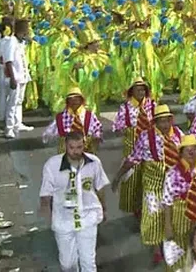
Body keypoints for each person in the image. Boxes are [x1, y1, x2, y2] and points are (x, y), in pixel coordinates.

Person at [111, 104, 184, 265]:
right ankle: (157, 250)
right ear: (155, 122)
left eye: (167, 121)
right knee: (153, 216)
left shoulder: (178, 135)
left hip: (173, 184)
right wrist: (118, 177)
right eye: (161, 121)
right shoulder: (146, 137)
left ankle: (171, 248)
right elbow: (133, 159)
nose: (165, 125)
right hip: (153, 184)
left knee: (172, 216)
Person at [39, 130, 110, 272]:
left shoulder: (94, 163)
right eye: (72, 148)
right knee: (67, 265)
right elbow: (45, 194)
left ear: (84, 146)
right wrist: (47, 215)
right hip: (63, 220)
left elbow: (100, 187)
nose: (75, 151)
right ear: (65, 146)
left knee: (88, 262)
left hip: (88, 217)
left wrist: (103, 208)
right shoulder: (52, 165)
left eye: (79, 147)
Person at [163, 134, 196, 271]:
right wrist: (168, 225)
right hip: (180, 217)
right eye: (186, 149)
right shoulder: (172, 173)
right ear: (181, 153)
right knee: (179, 253)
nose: (191, 152)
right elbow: (167, 201)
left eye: (194, 149)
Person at [111, 78, 156, 217]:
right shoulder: (125, 107)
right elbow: (116, 126)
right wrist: (127, 129)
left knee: (148, 178)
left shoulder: (152, 105)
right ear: (132, 92)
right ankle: (135, 208)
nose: (141, 92)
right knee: (132, 178)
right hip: (132, 147)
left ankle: (147, 209)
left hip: (149, 146)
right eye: (138, 90)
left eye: (143, 89)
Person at [42, 87, 104, 153]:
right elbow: (49, 134)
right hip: (66, 152)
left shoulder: (89, 115)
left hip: (86, 150)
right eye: (71, 99)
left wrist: (96, 137)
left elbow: (98, 128)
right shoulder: (61, 117)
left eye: (77, 98)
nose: (74, 101)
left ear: (81, 100)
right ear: (67, 101)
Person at [0, 18, 32, 138]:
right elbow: (8, 61)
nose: (27, 33)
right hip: (15, 78)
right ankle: (9, 128)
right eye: (25, 30)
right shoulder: (11, 42)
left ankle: (17, 124)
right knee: (12, 103)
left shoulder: (21, 42)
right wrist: (12, 78)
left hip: (22, 77)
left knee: (19, 101)